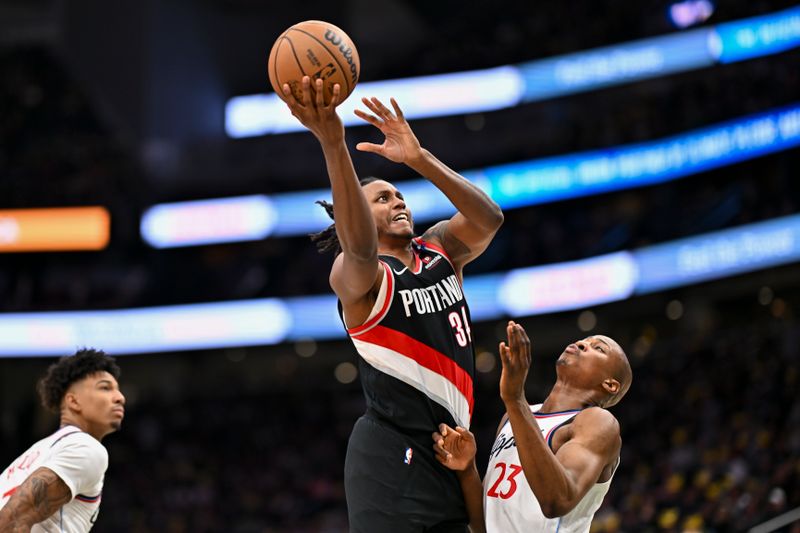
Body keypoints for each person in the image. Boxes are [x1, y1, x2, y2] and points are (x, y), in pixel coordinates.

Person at [281, 77, 503, 532]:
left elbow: (489, 218)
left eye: (398, 196)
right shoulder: (358, 273)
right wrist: (333, 142)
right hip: (390, 452)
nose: (397, 201)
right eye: (382, 199)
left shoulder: (440, 248)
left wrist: (419, 159)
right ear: (358, 216)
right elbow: (360, 246)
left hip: (452, 448)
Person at [433, 321, 632, 532]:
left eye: (598, 348)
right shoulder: (513, 416)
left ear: (610, 384)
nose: (582, 344)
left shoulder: (597, 422)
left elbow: (558, 499)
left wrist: (515, 398)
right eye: (584, 340)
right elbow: (485, 526)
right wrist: (467, 469)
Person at [0, 348, 125, 532]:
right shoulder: (86, 447)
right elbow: (13, 518)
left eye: (118, 390)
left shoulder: (35, 452)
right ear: (73, 401)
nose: (120, 397)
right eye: (105, 387)